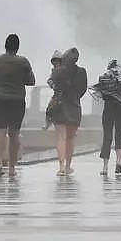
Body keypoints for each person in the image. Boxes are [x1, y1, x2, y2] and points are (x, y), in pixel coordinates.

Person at [0, 34, 35, 178]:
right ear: (17, 47)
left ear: (5, 45)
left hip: (0, 101)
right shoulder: (23, 62)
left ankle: (0, 163)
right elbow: (31, 81)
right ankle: (12, 168)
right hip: (17, 102)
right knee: (14, 134)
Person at [92, 59, 121, 176]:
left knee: (107, 136)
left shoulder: (105, 76)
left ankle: (105, 167)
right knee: (120, 135)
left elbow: (100, 92)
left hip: (109, 108)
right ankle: (118, 162)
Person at [50, 47, 87, 176]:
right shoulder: (82, 72)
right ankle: (68, 166)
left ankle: (61, 167)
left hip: (59, 106)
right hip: (74, 106)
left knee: (61, 137)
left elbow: (52, 84)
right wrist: (74, 97)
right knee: (70, 139)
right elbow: (83, 89)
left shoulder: (58, 71)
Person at [42, 50, 63, 130]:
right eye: (54, 61)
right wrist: (52, 83)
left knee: (69, 111)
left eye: (57, 60)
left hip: (65, 94)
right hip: (57, 94)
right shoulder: (54, 71)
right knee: (49, 109)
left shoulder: (65, 70)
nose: (55, 62)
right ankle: (47, 124)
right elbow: (50, 80)